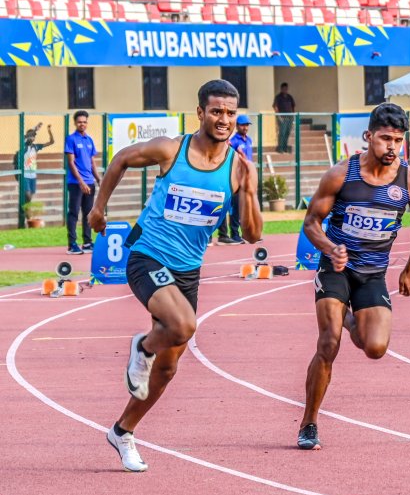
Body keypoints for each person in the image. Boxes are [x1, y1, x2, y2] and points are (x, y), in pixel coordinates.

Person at [88, 80, 262, 472]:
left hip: (187, 272)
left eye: (231, 113)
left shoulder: (238, 168)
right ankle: (143, 347)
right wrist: (99, 209)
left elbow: (252, 235)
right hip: (147, 256)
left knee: (167, 371)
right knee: (183, 325)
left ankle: (123, 431)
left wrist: (249, 192)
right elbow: (120, 159)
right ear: (200, 113)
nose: (224, 120)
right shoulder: (172, 149)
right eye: (216, 111)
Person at [297, 103, 410, 450]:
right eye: (385, 138)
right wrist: (329, 247)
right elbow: (311, 222)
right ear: (369, 137)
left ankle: (350, 319)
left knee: (375, 348)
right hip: (337, 268)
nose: (391, 147)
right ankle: (309, 422)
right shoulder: (341, 175)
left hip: (373, 274)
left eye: (398, 140)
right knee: (328, 342)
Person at [64, 110, 100, 255]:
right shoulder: (71, 139)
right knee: (73, 213)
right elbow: (71, 163)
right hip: (76, 183)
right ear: (75, 123)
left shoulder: (89, 140)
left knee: (88, 213)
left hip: (89, 182)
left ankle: (87, 242)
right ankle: (72, 244)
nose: (82, 124)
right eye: (79, 122)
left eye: (84, 122)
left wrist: (98, 179)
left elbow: (92, 162)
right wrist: (81, 182)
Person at [218, 115, 255, 245]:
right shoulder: (233, 141)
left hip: (246, 177)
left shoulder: (249, 140)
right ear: (237, 126)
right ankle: (233, 234)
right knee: (234, 206)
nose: (245, 127)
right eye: (242, 125)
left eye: (247, 125)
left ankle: (243, 233)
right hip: (235, 178)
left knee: (243, 207)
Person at [20, 122, 54, 203]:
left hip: (33, 175)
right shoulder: (24, 146)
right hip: (25, 175)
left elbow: (51, 142)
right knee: (27, 195)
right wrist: (35, 129)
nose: (32, 138)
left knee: (30, 197)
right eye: (30, 136)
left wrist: (49, 131)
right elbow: (24, 137)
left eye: (33, 136)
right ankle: (26, 212)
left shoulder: (35, 147)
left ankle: (26, 212)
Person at [273, 82, 296, 153]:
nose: (285, 90)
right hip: (282, 118)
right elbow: (275, 107)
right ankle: (280, 148)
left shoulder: (289, 97)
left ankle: (285, 147)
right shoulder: (278, 97)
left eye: (286, 88)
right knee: (282, 133)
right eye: (284, 88)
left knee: (287, 133)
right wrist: (279, 116)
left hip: (289, 118)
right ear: (281, 89)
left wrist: (293, 116)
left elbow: (293, 106)